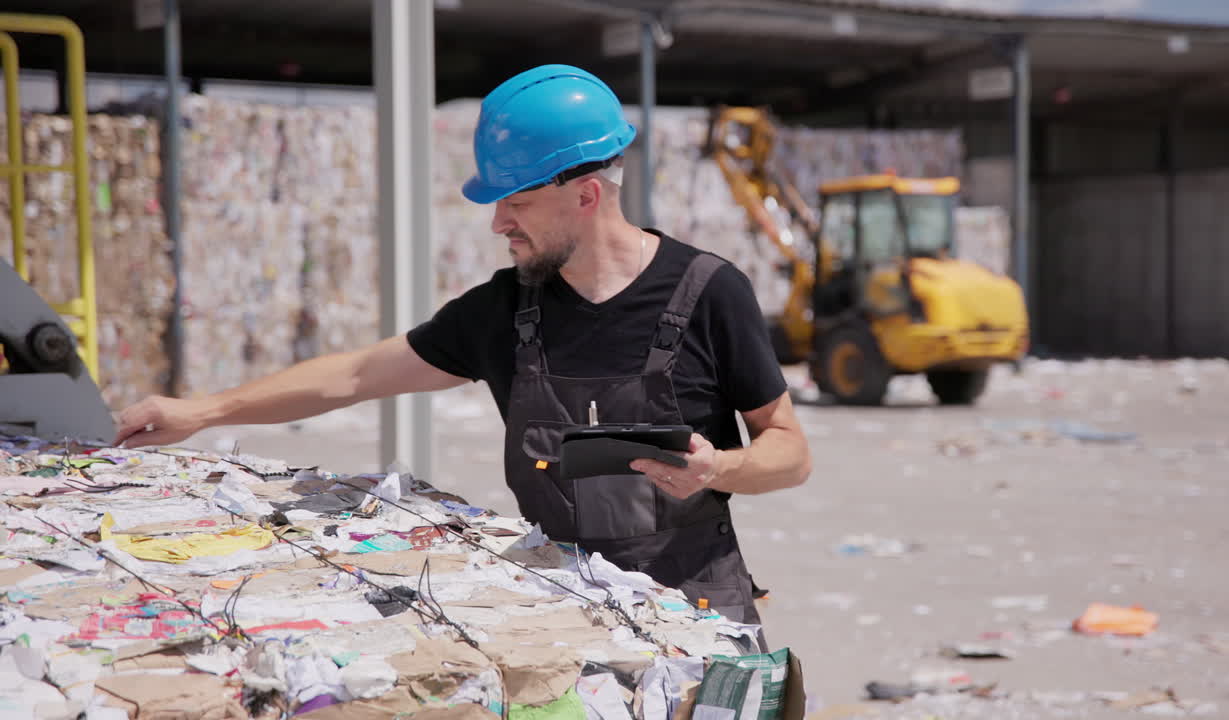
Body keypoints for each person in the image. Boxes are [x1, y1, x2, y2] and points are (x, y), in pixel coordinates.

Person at [114, 64, 811, 631]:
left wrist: (719, 467)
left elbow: (789, 449)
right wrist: (203, 411)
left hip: (697, 615)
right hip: (565, 618)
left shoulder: (711, 292)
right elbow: (355, 375)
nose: (498, 222)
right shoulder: (506, 311)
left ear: (587, 194)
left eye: (516, 201)